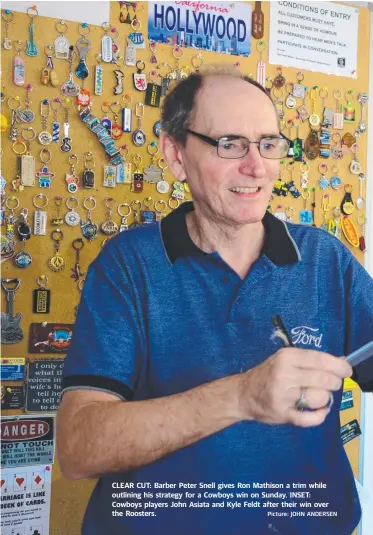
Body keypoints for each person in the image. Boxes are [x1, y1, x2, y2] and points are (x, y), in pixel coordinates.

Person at [57, 66, 373, 535]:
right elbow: (78, 448)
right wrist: (242, 396)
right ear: (176, 152)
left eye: (268, 144)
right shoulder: (128, 265)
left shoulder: (325, 258)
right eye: (230, 144)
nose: (256, 166)